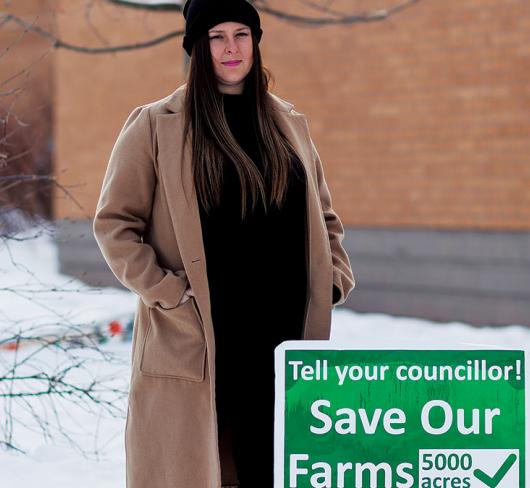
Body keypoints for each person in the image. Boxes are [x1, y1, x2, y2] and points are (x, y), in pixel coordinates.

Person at [93, 0, 354, 486]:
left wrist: (332, 281)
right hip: (201, 335)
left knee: (275, 466)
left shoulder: (288, 123)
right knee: (201, 467)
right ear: (196, 46)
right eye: (216, 36)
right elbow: (115, 224)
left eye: (241, 33)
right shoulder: (156, 125)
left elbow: (325, 217)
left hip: (283, 337)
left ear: (256, 41)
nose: (231, 48)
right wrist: (164, 291)